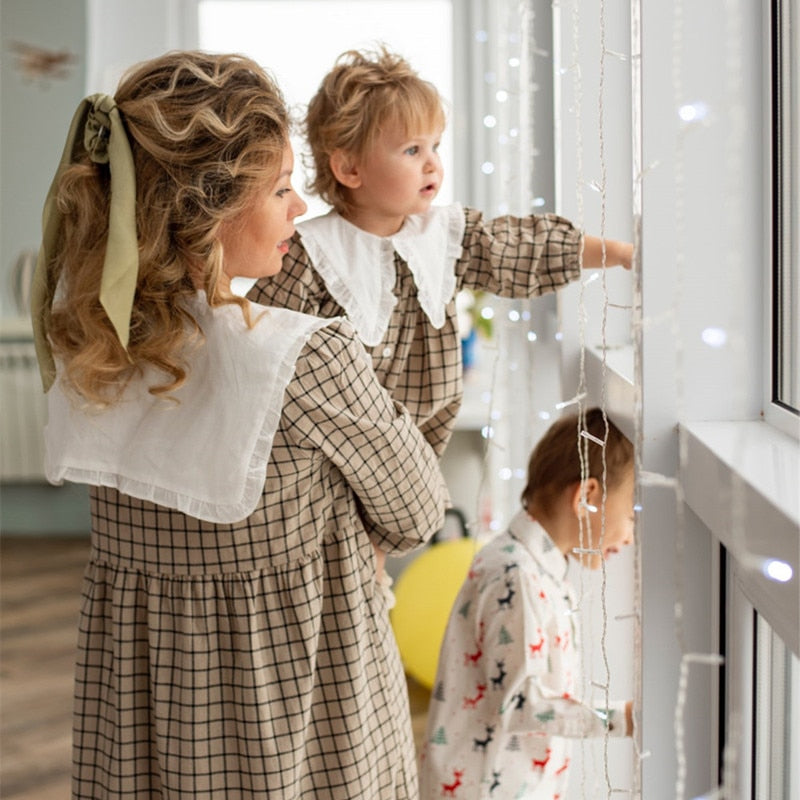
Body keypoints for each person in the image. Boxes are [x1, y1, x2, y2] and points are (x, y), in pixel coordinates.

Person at [30, 51, 449, 800]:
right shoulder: (303, 356)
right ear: (210, 210)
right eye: (283, 188)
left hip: (144, 717)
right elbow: (417, 513)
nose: (299, 209)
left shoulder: (88, 346)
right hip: (299, 716)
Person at [247, 46, 633, 462]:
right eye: (413, 150)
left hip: (417, 452)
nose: (433, 164)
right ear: (350, 169)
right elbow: (260, 346)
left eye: (435, 146)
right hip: (327, 449)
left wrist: (618, 253)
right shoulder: (310, 253)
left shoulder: (446, 236)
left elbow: (524, 247)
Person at [418, 408, 635, 799]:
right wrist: (623, 718)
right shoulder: (516, 577)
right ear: (586, 496)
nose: (631, 535)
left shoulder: (534, 568)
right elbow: (521, 703)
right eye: (633, 513)